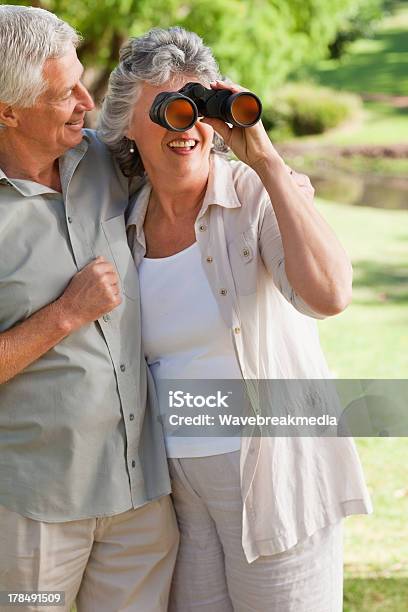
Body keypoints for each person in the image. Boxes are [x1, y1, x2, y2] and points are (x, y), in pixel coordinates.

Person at [99, 26, 373, 612]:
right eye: (168, 108)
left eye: (199, 106)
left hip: (276, 483)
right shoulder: (120, 222)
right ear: (127, 123)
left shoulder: (255, 196)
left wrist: (271, 164)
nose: (188, 125)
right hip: (177, 495)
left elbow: (329, 296)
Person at [0, 7, 178, 612]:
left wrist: (272, 176)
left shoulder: (107, 160)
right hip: (32, 512)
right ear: (8, 111)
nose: (86, 100)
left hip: (140, 498)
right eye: (64, 92)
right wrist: (64, 315)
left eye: (83, 79)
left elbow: (194, 166)